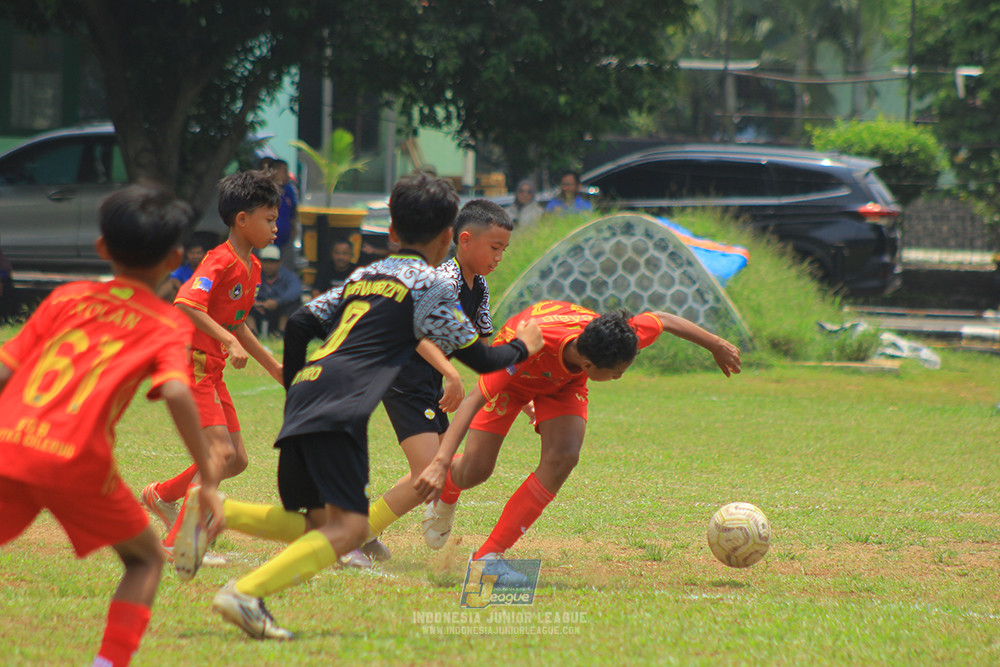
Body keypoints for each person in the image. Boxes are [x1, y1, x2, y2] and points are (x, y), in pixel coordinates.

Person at [176, 173, 542, 640]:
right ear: (449, 237)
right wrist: (525, 346)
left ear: (391, 231)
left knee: (324, 524)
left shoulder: (367, 274)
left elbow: (300, 323)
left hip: (311, 391)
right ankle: (246, 592)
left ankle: (219, 512)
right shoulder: (430, 283)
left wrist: (297, 386)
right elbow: (485, 359)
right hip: (341, 403)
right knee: (348, 531)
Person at [0, 185, 225, 667]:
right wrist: (208, 478)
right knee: (145, 560)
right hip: (76, 459)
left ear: (102, 247)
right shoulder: (167, 323)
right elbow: (178, 392)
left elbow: (5, 370)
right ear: (175, 259)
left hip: (9, 445)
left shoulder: (67, 297)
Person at [415, 300, 742, 582]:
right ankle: (446, 494)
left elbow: (664, 320)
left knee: (564, 456)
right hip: (515, 379)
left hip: (563, 383)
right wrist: (441, 462)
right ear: (589, 365)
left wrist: (715, 344)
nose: (619, 377)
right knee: (476, 470)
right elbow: (472, 401)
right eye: (616, 373)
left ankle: (488, 556)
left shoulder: (614, 338)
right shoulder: (525, 348)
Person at [348, 199, 517, 568]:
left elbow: (484, 348)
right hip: (402, 377)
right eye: (494, 247)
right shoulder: (443, 280)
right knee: (430, 474)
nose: (499, 257)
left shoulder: (479, 286)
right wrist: (452, 374)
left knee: (436, 469)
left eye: (504, 250)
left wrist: (521, 390)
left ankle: (360, 529)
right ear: (465, 240)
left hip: (427, 381)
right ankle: (350, 538)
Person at [140, 170, 284, 557]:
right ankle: (177, 542)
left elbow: (237, 323)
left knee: (236, 460)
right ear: (242, 219)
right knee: (220, 455)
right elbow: (186, 304)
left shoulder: (253, 268)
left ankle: (162, 496)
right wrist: (228, 341)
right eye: (269, 219)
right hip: (192, 365)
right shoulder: (219, 260)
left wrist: (273, 366)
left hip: (213, 369)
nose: (276, 228)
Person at [249, 244, 303, 337]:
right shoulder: (253, 274)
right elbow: (244, 290)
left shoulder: (288, 275)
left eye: (273, 262)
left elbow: (296, 290)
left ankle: (281, 332)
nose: (269, 266)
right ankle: (252, 332)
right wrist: (253, 302)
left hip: (279, 309)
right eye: (266, 262)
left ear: (280, 262)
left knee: (294, 302)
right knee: (243, 305)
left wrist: (277, 302)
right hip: (258, 307)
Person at [156, 234, 209, 302]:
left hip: (200, 302)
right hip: (185, 299)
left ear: (204, 254)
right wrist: (184, 291)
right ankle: (152, 301)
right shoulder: (183, 268)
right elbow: (173, 280)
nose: (195, 256)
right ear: (187, 254)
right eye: (192, 253)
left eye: (198, 253)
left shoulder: (208, 270)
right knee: (172, 289)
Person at [268, 159, 299, 271]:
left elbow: (293, 213)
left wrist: (293, 231)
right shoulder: (265, 190)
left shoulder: (289, 190)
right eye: (284, 171)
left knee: (286, 269)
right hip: (268, 240)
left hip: (286, 240)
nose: (286, 174)